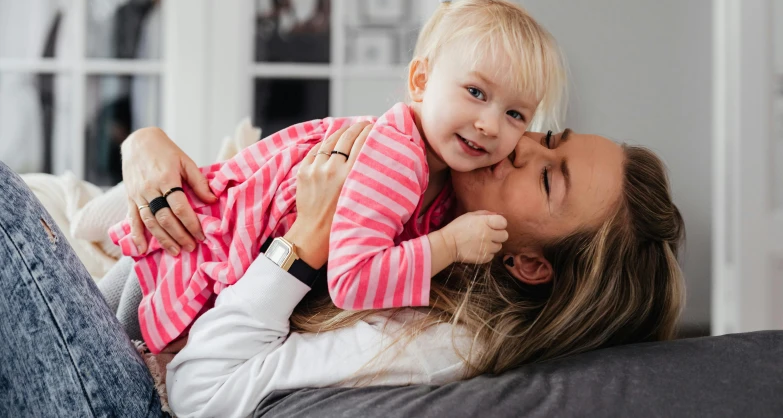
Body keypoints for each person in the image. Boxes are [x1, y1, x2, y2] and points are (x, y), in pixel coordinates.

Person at [108, 0, 567, 353]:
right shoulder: (399, 158)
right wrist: (448, 245)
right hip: (176, 263)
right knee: (101, 338)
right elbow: (352, 280)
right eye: (475, 92)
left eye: (514, 113)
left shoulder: (442, 178)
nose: (490, 124)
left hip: (197, 263)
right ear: (421, 82)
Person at [110, 122, 686, 417]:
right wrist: (144, 146)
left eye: (546, 178)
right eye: (549, 136)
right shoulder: (419, 185)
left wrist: (307, 237)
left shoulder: (441, 336)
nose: (521, 146)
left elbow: (199, 391)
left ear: (530, 264)